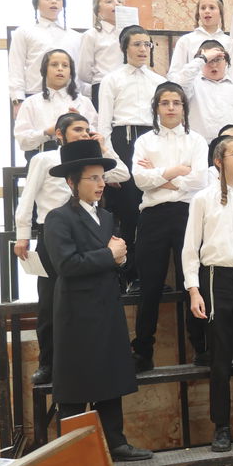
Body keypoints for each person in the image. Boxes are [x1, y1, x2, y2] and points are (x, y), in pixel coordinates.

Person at [39, 139, 151, 461]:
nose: (101, 184)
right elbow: (66, 265)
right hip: (76, 312)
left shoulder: (106, 217)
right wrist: (108, 255)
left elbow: (114, 262)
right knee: (76, 382)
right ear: (72, 182)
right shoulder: (58, 218)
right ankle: (74, 451)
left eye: (103, 178)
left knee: (110, 375)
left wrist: (121, 258)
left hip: (106, 307)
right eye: (93, 178)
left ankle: (116, 441)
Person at [14, 113, 127, 385]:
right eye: (77, 129)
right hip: (53, 233)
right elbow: (27, 198)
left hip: (88, 233)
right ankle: (48, 363)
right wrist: (22, 235)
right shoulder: (44, 160)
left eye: (87, 129)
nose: (84, 134)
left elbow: (123, 173)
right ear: (60, 134)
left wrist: (102, 148)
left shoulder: (94, 164)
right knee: (49, 303)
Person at [183, 134, 233, 452]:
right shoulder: (202, 199)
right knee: (220, 358)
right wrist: (194, 289)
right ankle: (221, 426)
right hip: (215, 278)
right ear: (219, 161)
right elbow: (191, 248)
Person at [130, 82, 209, 371]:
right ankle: (143, 351)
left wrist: (159, 176)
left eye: (177, 102)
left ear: (184, 108)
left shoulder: (197, 141)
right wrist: (177, 172)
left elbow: (200, 180)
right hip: (152, 215)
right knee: (149, 285)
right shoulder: (144, 141)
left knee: (194, 281)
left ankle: (201, 346)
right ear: (156, 107)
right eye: (165, 103)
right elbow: (139, 179)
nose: (172, 108)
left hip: (188, 213)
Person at [96, 24, 165, 288]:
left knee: (150, 211)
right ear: (125, 48)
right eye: (136, 44)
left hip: (149, 143)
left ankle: (148, 276)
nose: (142, 49)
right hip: (121, 143)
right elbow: (103, 126)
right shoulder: (111, 79)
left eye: (147, 44)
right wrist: (112, 166)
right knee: (127, 213)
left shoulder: (158, 81)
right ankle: (128, 275)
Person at [13, 49, 96, 158]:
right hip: (40, 157)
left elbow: (96, 136)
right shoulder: (31, 102)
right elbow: (22, 141)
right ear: (44, 70)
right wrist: (47, 132)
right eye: (54, 64)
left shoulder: (84, 102)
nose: (60, 69)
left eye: (65, 65)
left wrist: (79, 124)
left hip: (78, 158)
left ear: (71, 73)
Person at [9, 0, 78, 106]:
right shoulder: (24, 32)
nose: (53, 1)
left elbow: (79, 71)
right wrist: (17, 100)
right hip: (34, 94)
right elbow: (16, 68)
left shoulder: (75, 36)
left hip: (68, 96)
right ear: (36, 4)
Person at [177, 40, 233, 143]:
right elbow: (180, 81)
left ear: (226, 61)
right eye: (209, 60)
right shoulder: (192, 86)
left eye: (218, 59)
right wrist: (202, 58)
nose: (213, 65)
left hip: (231, 147)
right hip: (199, 146)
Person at [77, 0, 125, 105]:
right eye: (109, 1)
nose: (116, 4)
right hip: (102, 86)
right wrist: (101, 79)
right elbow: (84, 71)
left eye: (119, 1)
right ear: (98, 10)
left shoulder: (128, 34)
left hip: (127, 86)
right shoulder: (92, 35)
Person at [169, 0, 229, 83]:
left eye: (212, 8)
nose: (207, 11)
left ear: (220, 12)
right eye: (203, 8)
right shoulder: (186, 40)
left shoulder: (229, 42)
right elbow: (174, 73)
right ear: (198, 13)